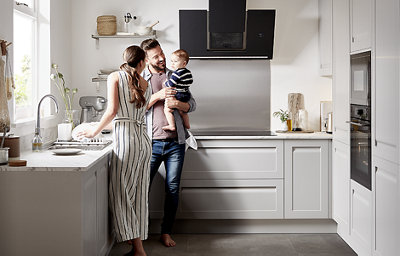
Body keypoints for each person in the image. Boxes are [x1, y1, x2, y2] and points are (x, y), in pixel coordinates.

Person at [78, 45, 151, 256]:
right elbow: (127, 118)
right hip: (144, 142)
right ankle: (137, 245)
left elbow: (112, 113)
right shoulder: (145, 83)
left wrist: (93, 131)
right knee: (137, 195)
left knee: (120, 195)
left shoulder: (115, 77)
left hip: (127, 142)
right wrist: (96, 128)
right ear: (141, 62)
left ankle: (138, 249)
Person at [140, 39, 196, 247]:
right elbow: (136, 108)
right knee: (142, 188)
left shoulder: (175, 75)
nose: (162, 58)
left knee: (172, 189)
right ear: (146, 60)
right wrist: (157, 96)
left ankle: (166, 232)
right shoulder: (140, 79)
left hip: (176, 143)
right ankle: (140, 232)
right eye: (156, 56)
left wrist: (178, 103)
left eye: (162, 53)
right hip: (150, 143)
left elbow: (192, 104)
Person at [162, 49, 193, 131]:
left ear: (184, 63)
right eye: (171, 61)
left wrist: (166, 83)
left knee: (167, 109)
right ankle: (187, 124)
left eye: (175, 61)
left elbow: (171, 84)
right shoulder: (188, 72)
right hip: (186, 94)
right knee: (183, 112)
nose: (172, 63)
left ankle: (171, 125)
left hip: (177, 94)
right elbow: (190, 81)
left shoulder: (176, 73)